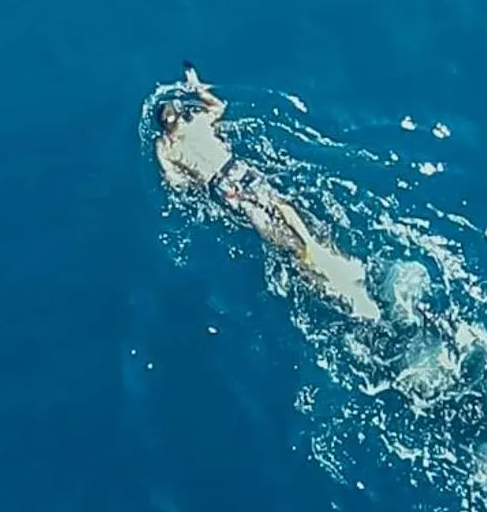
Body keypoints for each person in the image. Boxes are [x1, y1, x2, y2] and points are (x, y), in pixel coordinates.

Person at [153, 64, 381, 323]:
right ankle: (312, 245)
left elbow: (175, 182)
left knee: (278, 239)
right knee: (280, 204)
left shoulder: (166, 148)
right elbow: (219, 107)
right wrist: (198, 88)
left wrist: (172, 163)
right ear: (181, 116)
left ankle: (330, 285)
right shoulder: (199, 122)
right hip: (240, 170)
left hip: (225, 188)